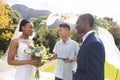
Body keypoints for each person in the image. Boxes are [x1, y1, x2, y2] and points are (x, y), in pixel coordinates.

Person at [73, 13, 105, 80]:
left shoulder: (93, 43)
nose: (76, 26)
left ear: (86, 22)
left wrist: (72, 74)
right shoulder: (89, 40)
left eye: (78, 22)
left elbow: (92, 77)